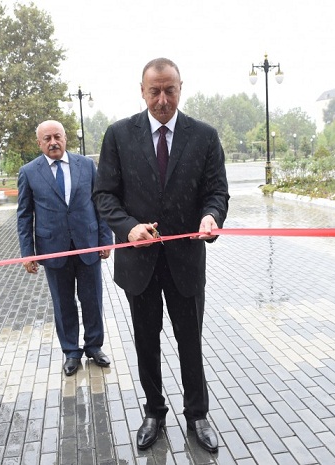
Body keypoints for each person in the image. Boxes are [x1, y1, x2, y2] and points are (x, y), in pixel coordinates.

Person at [93, 57, 229, 452]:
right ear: (142, 90)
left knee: (191, 341)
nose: (163, 99)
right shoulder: (119, 135)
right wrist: (127, 227)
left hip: (186, 260)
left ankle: (198, 415)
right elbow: (104, 194)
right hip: (140, 265)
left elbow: (217, 192)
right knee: (145, 343)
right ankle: (154, 411)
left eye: (170, 90)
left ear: (180, 87)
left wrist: (210, 216)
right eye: (155, 91)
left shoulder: (203, 136)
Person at [17, 120, 113, 377]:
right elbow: (24, 215)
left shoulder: (86, 165)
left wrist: (106, 239)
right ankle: (71, 351)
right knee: (63, 303)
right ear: (39, 143)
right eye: (46, 139)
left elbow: (101, 203)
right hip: (53, 248)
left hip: (88, 243)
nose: (53, 142)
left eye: (57, 136)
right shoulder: (29, 172)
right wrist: (28, 252)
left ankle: (94, 346)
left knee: (92, 299)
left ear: (65, 138)